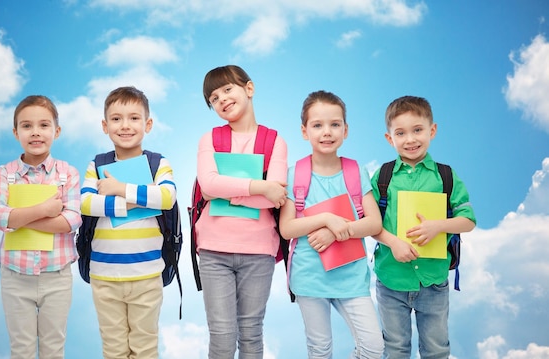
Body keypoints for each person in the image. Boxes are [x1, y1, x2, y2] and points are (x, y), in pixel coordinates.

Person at [279, 90, 385, 359]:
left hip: (351, 277)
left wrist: (336, 232)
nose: (327, 132)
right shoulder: (295, 174)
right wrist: (326, 219)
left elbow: (374, 223)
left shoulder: (355, 171)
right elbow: (287, 228)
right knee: (320, 349)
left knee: (373, 348)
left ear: (346, 130)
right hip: (309, 277)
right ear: (304, 131)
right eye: (317, 125)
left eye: (334, 124)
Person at [370, 95, 476, 359]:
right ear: (389, 138)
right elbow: (369, 223)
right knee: (394, 349)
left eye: (417, 130)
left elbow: (468, 220)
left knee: (436, 349)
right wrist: (393, 242)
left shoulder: (446, 176)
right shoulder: (382, 177)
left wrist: (439, 226)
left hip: (434, 281)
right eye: (401, 133)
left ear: (432, 130)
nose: (410, 139)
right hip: (391, 279)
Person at [195, 65, 288, 358]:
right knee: (221, 336)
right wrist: (258, 187)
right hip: (213, 250)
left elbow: (276, 197)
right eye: (213, 98)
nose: (221, 99)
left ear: (249, 88)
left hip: (258, 252)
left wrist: (228, 194)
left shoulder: (275, 141)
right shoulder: (210, 139)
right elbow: (207, 184)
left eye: (227, 89)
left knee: (251, 333)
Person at [80, 86, 177, 359]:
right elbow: (86, 203)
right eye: (116, 118)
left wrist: (119, 188)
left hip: (147, 274)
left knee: (145, 348)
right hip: (104, 275)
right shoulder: (96, 164)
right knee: (113, 349)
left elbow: (167, 197)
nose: (125, 126)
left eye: (134, 118)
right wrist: (139, 201)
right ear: (104, 125)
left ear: (147, 124)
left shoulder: (159, 163)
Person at [0, 95, 81, 359]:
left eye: (44, 125)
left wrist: (18, 219)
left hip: (57, 276)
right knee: (22, 349)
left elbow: (71, 220)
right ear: (16, 132)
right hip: (15, 277)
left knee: (53, 348)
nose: (36, 132)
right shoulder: (5, 174)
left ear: (57, 131)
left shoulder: (68, 173)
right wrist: (43, 211)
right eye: (27, 126)